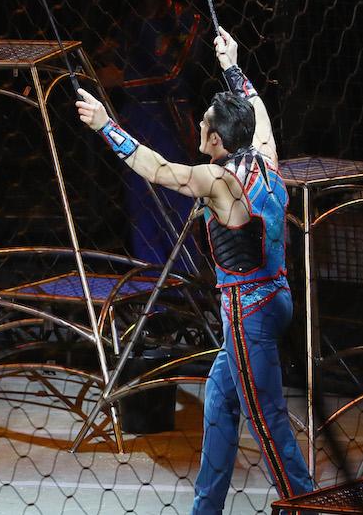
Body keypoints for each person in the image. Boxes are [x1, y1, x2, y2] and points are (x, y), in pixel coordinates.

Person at [75, 28, 314, 513]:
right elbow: (258, 109)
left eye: (202, 122)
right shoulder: (267, 157)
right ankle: (206, 509)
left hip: (250, 310)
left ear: (215, 139)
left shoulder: (217, 180)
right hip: (272, 299)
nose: (196, 125)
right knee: (221, 401)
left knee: (267, 422)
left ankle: (309, 506)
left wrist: (105, 124)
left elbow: (159, 170)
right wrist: (232, 64)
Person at [95, 0, 206, 269]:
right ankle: (151, 294)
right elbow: (108, 57)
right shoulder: (128, 22)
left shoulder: (189, 20)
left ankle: (186, 292)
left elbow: (176, 75)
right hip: (134, 119)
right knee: (140, 204)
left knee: (176, 201)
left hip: (169, 118)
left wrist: (123, 78)